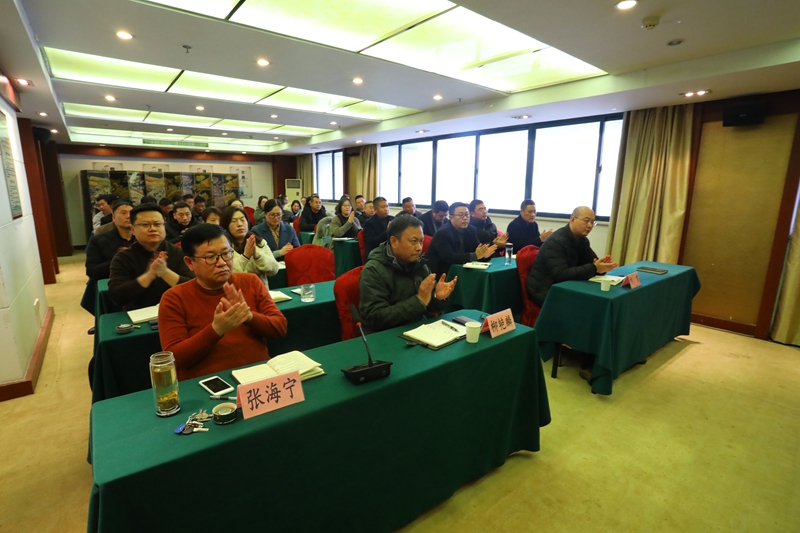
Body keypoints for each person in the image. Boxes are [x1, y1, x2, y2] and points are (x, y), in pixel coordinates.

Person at [158, 224, 288, 381]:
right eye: (210, 257)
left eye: (226, 253)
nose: (222, 263)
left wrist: (249, 316)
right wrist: (216, 330)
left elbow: (280, 329)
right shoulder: (174, 298)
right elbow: (174, 358)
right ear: (189, 262)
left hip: (258, 376)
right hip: (208, 384)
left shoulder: (250, 281)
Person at [359, 215, 457, 334]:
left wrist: (437, 297)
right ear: (394, 242)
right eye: (413, 241)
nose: (419, 248)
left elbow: (428, 307)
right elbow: (376, 318)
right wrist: (419, 300)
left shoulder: (419, 264)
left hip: (416, 329)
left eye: (421, 242)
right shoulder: (373, 270)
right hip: (384, 335)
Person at [526, 206, 618, 307]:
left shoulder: (582, 240)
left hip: (565, 284)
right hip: (545, 288)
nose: (590, 225)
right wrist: (595, 268)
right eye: (586, 221)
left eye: (592, 222)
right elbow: (561, 274)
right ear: (573, 219)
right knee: (589, 303)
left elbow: (593, 262)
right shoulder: (556, 241)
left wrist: (601, 266)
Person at [108, 204, 194, 310]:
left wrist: (165, 272)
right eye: (145, 225)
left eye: (157, 224)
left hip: (178, 310)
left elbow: (194, 289)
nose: (153, 229)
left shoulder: (180, 252)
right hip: (139, 314)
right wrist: (149, 275)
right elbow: (116, 297)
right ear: (133, 229)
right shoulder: (123, 258)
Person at [426, 202, 497, 278]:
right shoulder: (442, 233)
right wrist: (475, 255)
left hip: (463, 271)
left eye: (467, 215)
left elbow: (476, 251)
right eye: (461, 215)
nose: (465, 218)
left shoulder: (471, 230)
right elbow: (449, 257)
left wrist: (484, 256)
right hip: (442, 274)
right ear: (451, 217)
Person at [221, 206, 280, 287]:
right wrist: (245, 257)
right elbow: (226, 274)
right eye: (234, 221)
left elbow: (274, 269)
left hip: (261, 291)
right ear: (226, 225)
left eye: (242, 220)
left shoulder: (259, 242)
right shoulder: (222, 247)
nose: (239, 224)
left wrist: (258, 256)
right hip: (235, 291)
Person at [85, 200, 135, 281]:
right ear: (114, 218)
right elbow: (91, 271)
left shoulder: (143, 239)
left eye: (132, 213)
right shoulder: (99, 240)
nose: (128, 216)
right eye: (123, 213)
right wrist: (119, 259)